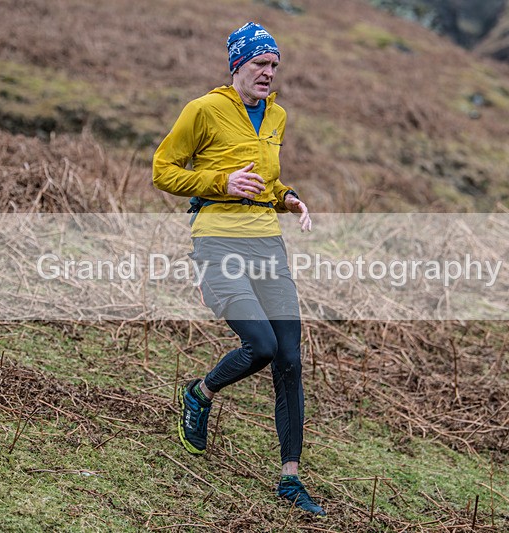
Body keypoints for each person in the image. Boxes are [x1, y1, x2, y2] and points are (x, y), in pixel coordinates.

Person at [152, 22, 324, 517]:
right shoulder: (203, 110)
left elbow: (264, 182)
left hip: (267, 245)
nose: (269, 73)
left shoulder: (277, 116)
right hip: (219, 242)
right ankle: (199, 393)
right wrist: (221, 182)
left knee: (290, 359)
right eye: (260, 65)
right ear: (237, 67)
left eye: (274, 66)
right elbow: (163, 169)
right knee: (263, 346)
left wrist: (287, 198)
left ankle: (290, 481)